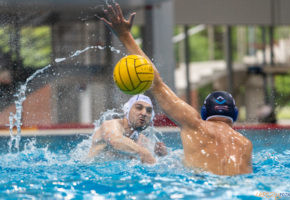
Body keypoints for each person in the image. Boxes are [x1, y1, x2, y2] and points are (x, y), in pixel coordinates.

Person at [100, 3, 253, 175]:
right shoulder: (245, 144)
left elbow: (155, 82)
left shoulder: (195, 124)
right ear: (235, 115)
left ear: (204, 113)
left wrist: (125, 35)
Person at [88, 94, 167, 164]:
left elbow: (155, 159)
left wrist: (160, 154)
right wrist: (142, 151)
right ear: (127, 110)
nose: (144, 113)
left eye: (149, 111)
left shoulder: (141, 139)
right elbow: (115, 140)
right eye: (139, 108)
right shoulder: (110, 125)